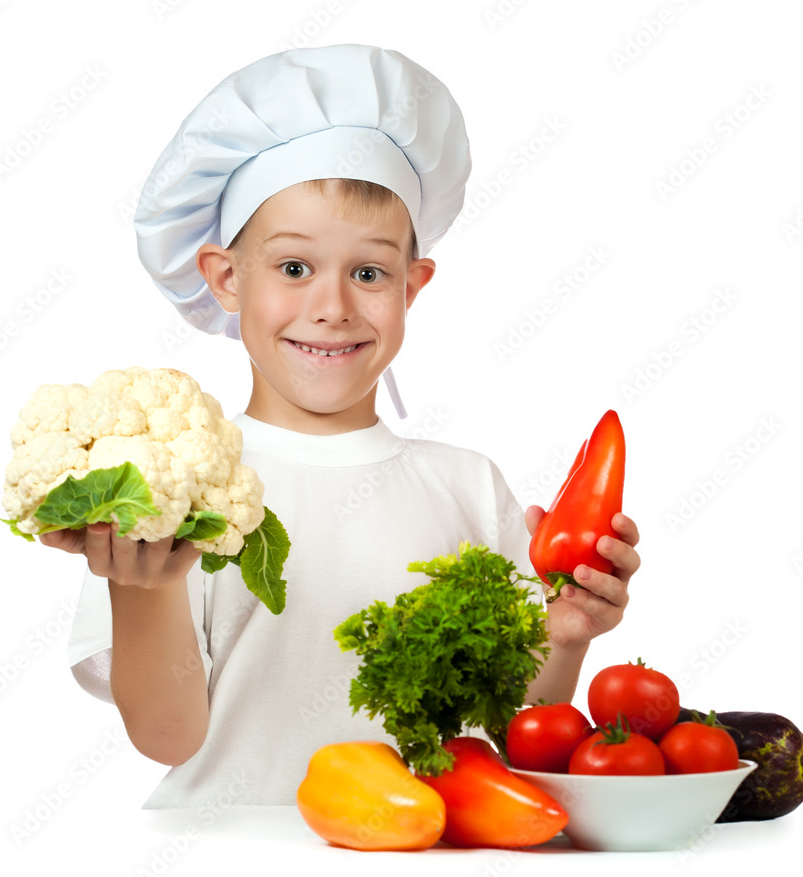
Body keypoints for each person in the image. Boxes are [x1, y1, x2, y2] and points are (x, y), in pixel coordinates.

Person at [44, 44, 641, 807]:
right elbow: (167, 737)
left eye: (369, 272)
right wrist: (139, 584)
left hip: (423, 849)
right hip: (226, 851)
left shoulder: (464, 484)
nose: (333, 305)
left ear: (412, 285)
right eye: (294, 267)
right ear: (227, 277)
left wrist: (566, 638)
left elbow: (520, 721)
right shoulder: (171, 486)